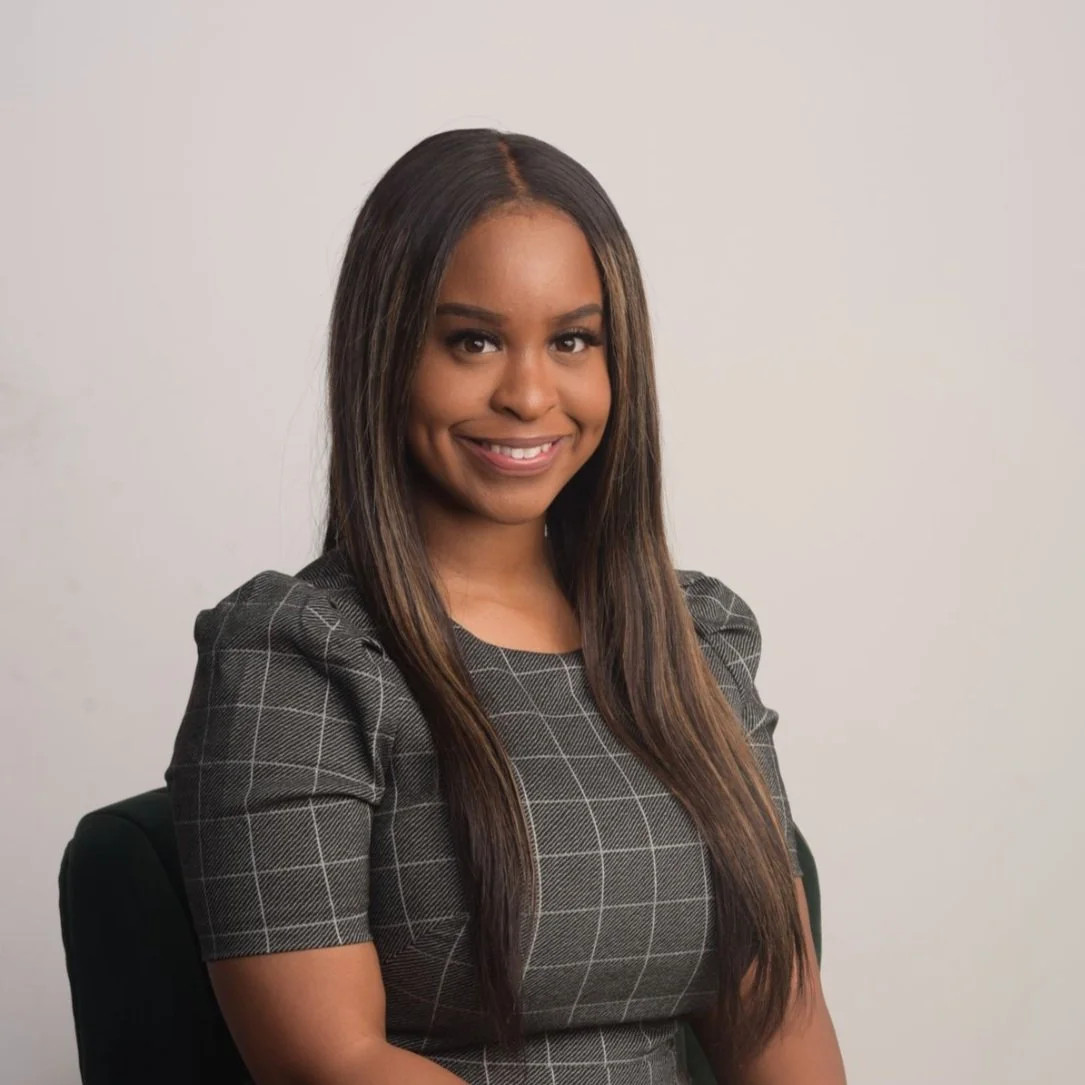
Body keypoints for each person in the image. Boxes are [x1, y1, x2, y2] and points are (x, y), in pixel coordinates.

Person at [164, 128, 846, 1085]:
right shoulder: (300, 660)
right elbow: (329, 1061)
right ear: (384, 354)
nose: (529, 394)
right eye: (472, 341)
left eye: (572, 341)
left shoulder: (694, 642)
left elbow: (779, 1015)